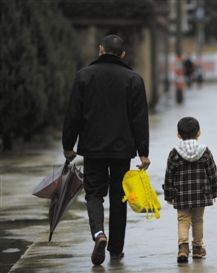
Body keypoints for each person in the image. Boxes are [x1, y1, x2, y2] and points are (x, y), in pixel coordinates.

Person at [62, 34, 150, 265]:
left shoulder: (84, 76)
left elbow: (73, 115)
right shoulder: (134, 79)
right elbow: (140, 119)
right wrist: (143, 152)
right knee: (119, 196)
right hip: (122, 149)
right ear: (123, 55)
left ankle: (99, 234)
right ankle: (116, 250)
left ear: (101, 50)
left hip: (93, 148)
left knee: (94, 193)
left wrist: (68, 145)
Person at [163, 117, 217, 264]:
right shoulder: (205, 152)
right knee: (198, 220)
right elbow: (212, 172)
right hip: (201, 193)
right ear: (198, 133)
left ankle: (183, 248)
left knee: (183, 220)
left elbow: (169, 175)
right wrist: (214, 190)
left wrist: (168, 193)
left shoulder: (174, 153)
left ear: (178, 135)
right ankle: (198, 249)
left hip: (181, 194)